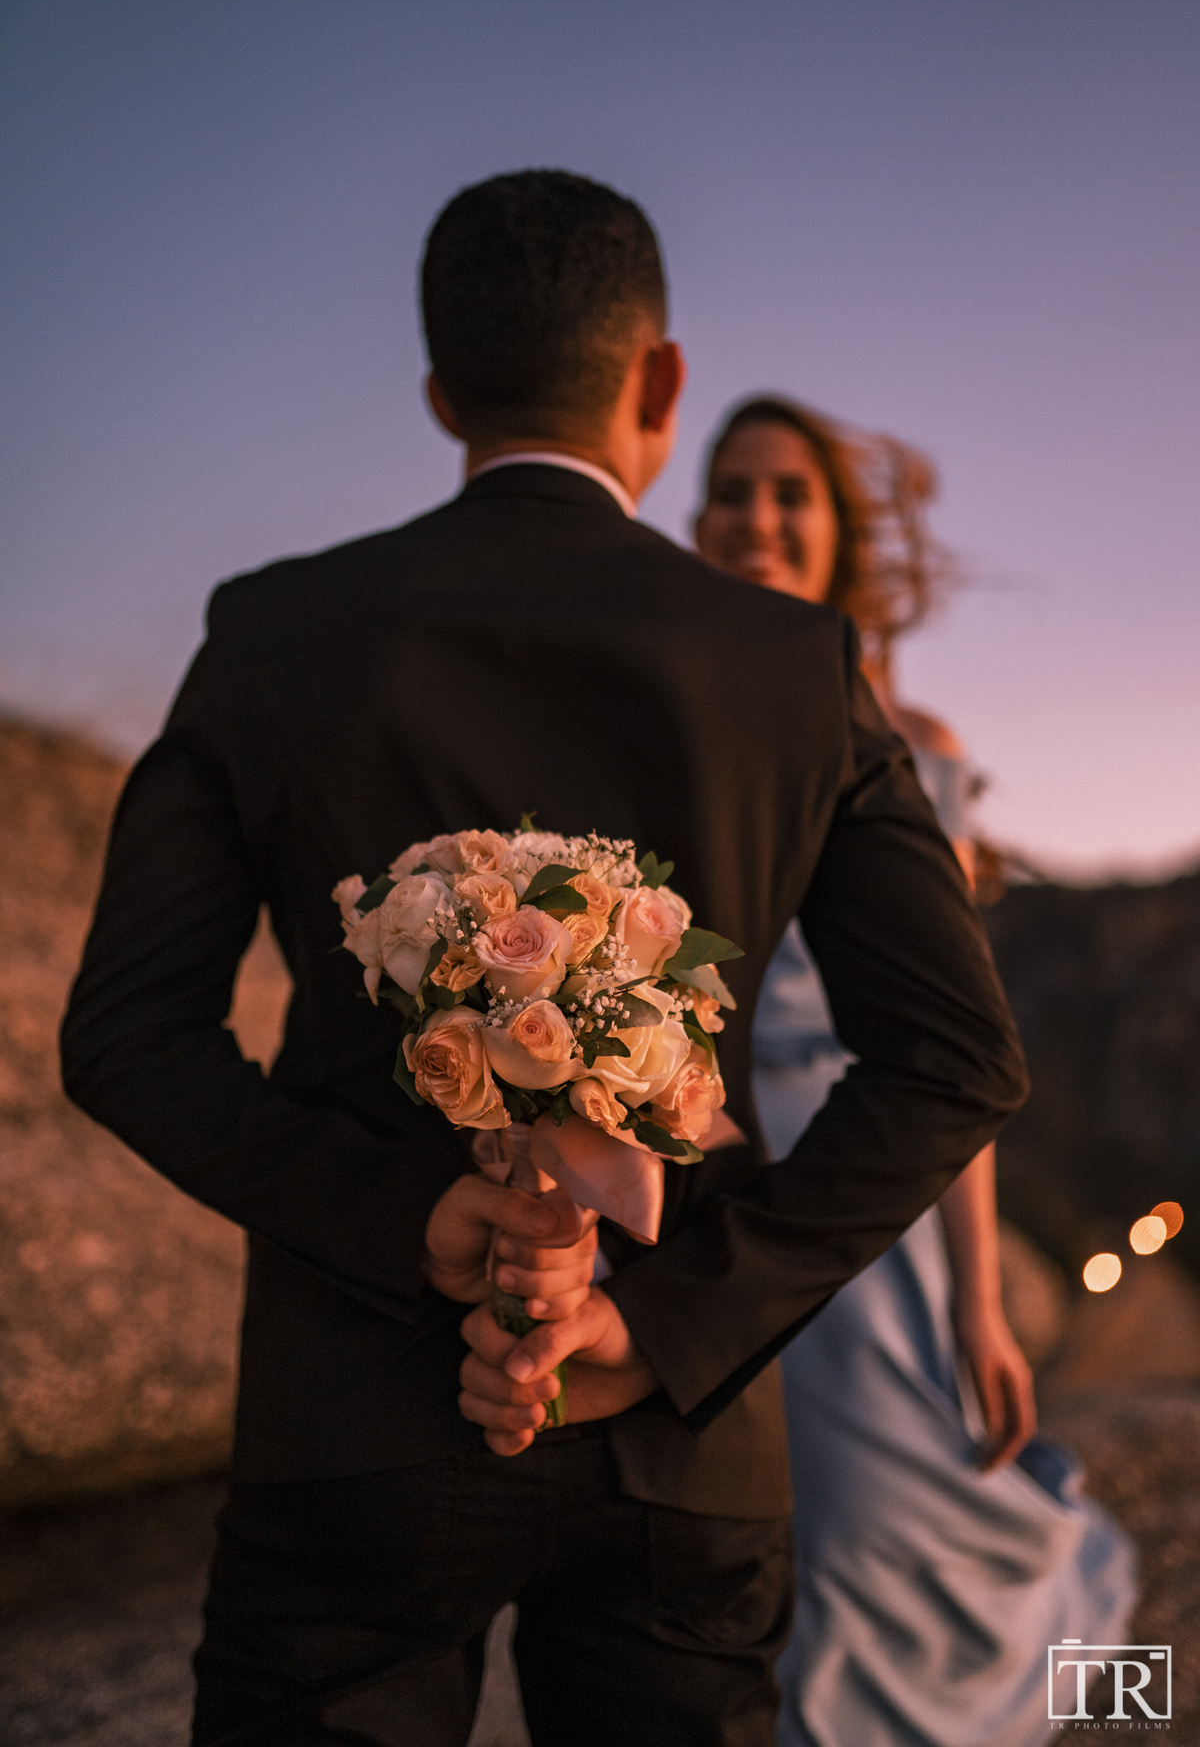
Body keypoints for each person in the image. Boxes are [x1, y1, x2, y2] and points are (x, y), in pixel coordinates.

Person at [60, 172, 1027, 1747]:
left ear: (442, 390)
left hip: (351, 1428)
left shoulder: (271, 632)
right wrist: (668, 1328)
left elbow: (124, 1038)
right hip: (687, 1457)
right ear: (658, 382)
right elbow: (960, 1060)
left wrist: (410, 1221)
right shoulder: (794, 665)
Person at [695, 396, 1136, 1747]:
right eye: (733, 490)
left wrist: (980, 1306)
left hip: (857, 1159)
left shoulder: (914, 745)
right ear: (697, 521)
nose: (760, 517)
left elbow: (953, 1044)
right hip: (697, 1154)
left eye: (792, 495)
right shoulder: (670, 704)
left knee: (875, 1522)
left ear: (837, 537)